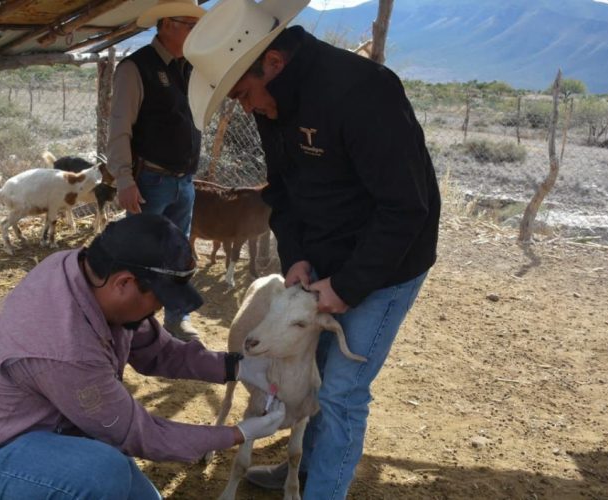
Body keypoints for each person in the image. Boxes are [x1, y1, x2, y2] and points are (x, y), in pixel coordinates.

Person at [184, 0, 441, 497]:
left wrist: (347, 286)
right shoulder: (271, 100)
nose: (245, 107)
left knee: (341, 391)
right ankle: (298, 470)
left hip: (386, 265)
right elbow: (284, 192)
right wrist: (296, 256)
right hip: (320, 258)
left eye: (243, 92)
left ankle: (322, 490)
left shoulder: (364, 91)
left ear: (274, 63)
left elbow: (406, 208)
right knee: (301, 375)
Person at [0, 213, 287, 499]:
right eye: (158, 301)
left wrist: (234, 366)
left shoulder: (85, 272)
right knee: (104, 474)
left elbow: (157, 351)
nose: (158, 311)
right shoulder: (66, 347)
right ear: (124, 283)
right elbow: (139, 433)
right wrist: (238, 434)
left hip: (50, 424)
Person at [106, 0, 205, 342]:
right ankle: (127, 324)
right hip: (150, 181)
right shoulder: (135, 69)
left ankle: (177, 319)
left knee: (179, 254)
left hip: (183, 180)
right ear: (165, 25)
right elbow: (120, 129)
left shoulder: (190, 67)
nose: (195, 32)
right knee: (140, 255)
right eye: (188, 25)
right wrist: (124, 179)